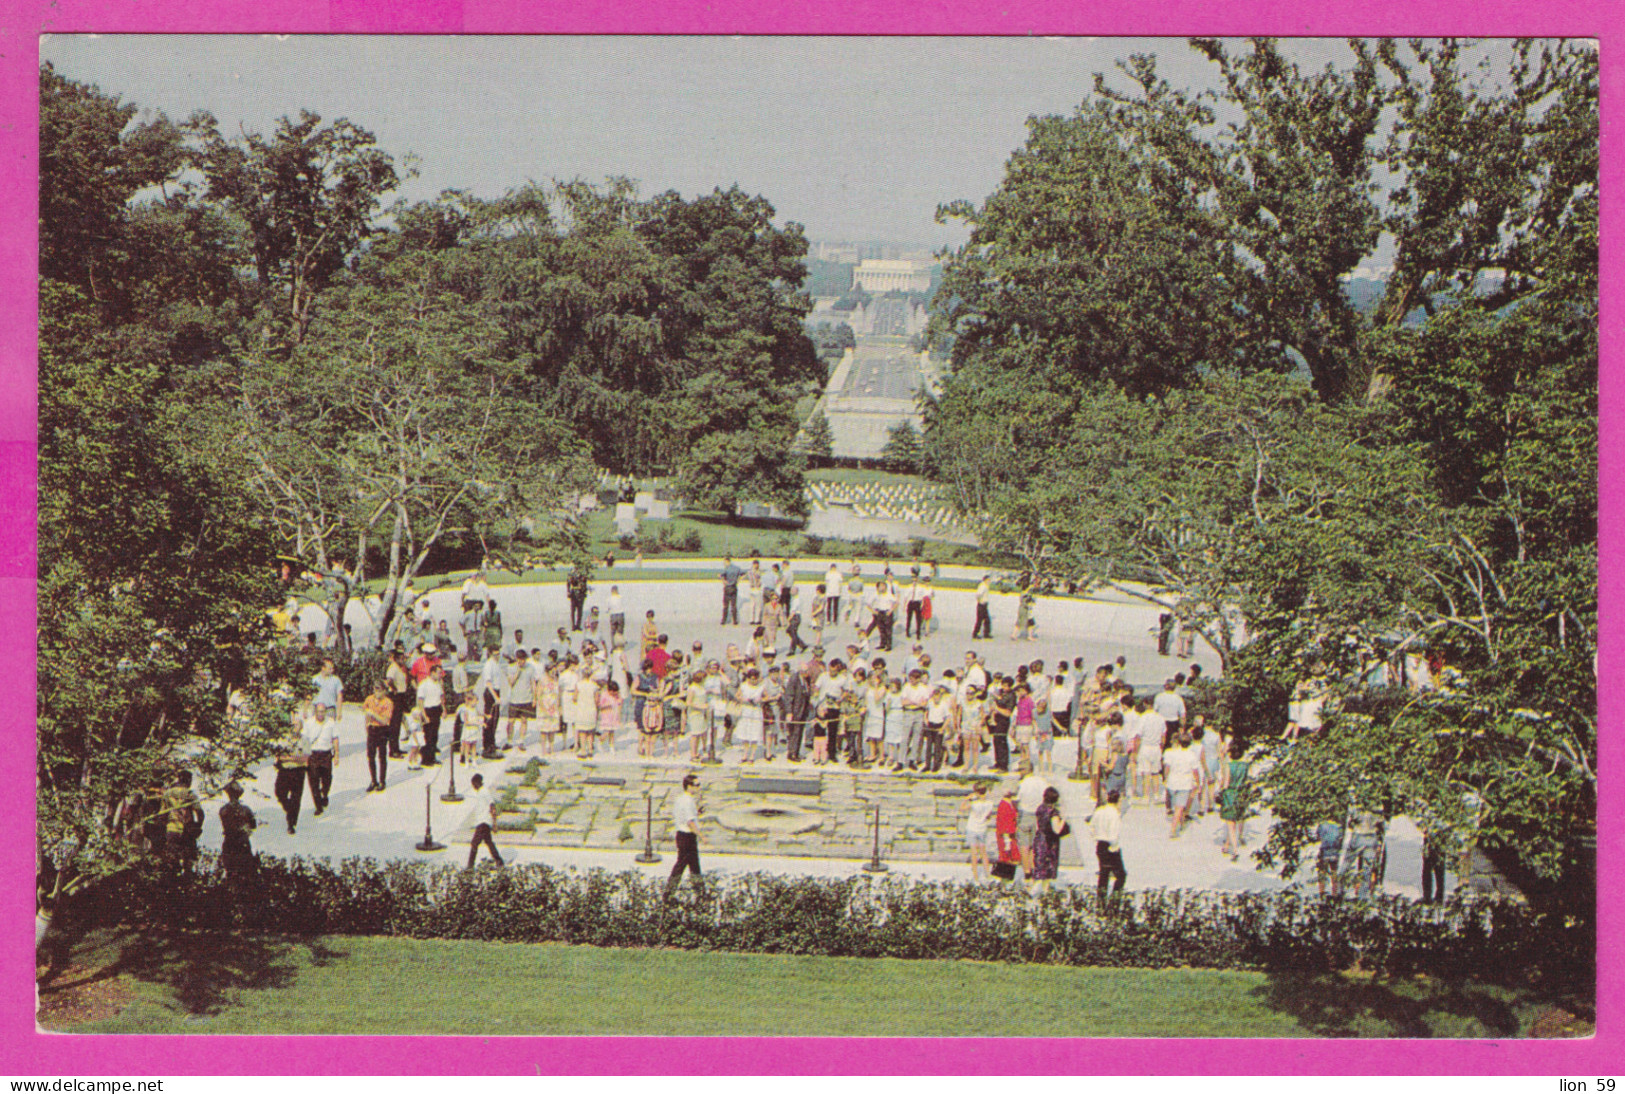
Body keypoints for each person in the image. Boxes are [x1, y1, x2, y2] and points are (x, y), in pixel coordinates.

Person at [665, 773, 705, 897]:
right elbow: (690, 822)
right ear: (689, 786)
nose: (699, 788)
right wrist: (701, 835)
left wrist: (697, 811)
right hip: (687, 836)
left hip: (682, 835)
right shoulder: (688, 802)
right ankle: (669, 892)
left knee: (694, 864)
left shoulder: (681, 798)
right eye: (696, 785)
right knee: (681, 864)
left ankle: (700, 891)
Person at [1090, 789, 1127, 910]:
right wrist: (1114, 849)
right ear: (1118, 801)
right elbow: (1113, 835)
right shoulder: (1115, 814)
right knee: (1121, 875)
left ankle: (1100, 902)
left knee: (1103, 874)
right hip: (1110, 846)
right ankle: (1114, 902)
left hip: (1100, 844)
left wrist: (1096, 838)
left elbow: (1092, 827)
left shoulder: (1099, 811)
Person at [1217, 737, 1252, 859]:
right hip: (1242, 794)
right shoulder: (1245, 765)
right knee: (1236, 820)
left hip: (1230, 794)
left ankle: (1235, 850)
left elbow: (1226, 783)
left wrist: (1220, 789)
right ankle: (1227, 845)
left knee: (1230, 823)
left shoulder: (1228, 766)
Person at [218, 781, 257, 889]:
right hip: (242, 841)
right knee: (245, 871)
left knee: (231, 871)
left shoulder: (223, 810)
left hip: (229, 841)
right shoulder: (246, 810)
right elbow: (253, 825)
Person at [162, 771, 204, 871]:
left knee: (172, 860)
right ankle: (187, 882)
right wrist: (198, 826)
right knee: (188, 861)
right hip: (187, 831)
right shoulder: (190, 794)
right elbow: (200, 813)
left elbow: (162, 814)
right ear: (188, 780)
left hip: (171, 829)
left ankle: (174, 881)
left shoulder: (167, 794)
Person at [303, 702, 339, 814]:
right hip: (313, 755)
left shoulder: (331, 723)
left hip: (326, 754)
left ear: (326, 712)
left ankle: (324, 794)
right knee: (313, 782)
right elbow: (305, 741)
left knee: (327, 779)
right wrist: (305, 759)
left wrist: (337, 754)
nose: (320, 714)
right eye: (318, 711)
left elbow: (335, 739)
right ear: (315, 712)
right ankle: (318, 806)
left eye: (323, 711)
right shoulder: (309, 723)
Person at [1162, 731, 1200, 838]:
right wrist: (1198, 782)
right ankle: (1173, 830)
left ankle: (1182, 822)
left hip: (1172, 782)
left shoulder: (1172, 753)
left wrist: (1165, 778)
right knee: (1179, 807)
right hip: (1184, 783)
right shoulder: (1192, 755)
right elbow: (1195, 771)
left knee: (1178, 805)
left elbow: (1167, 767)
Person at [1031, 786, 1068, 891]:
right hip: (1049, 843)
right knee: (1047, 871)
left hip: (1040, 839)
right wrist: (1063, 819)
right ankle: (1044, 892)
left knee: (1039, 867)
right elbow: (1057, 830)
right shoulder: (1053, 813)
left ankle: (1033, 890)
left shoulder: (1040, 808)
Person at [465, 773, 504, 869]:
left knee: (474, 843)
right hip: (482, 822)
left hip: (483, 822)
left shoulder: (484, 791)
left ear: (477, 783)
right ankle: (499, 861)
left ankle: (470, 866)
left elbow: (492, 806)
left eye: (473, 784)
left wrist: (494, 823)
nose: (473, 786)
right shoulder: (480, 792)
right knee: (489, 842)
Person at [1015, 763, 1048, 876]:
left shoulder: (1023, 783)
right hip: (1038, 815)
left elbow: (1017, 799)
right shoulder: (1042, 781)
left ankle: (1027, 872)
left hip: (1025, 814)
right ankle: (1034, 869)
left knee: (1024, 845)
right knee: (1035, 846)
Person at [362, 679, 393, 792]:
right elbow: (365, 713)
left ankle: (382, 781)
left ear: (384, 691)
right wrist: (367, 727)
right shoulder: (369, 700)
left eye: (379, 689)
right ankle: (373, 780)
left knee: (382, 756)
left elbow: (384, 721)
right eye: (375, 689)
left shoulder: (388, 702)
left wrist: (373, 715)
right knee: (370, 756)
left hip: (382, 730)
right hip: (372, 729)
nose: (377, 692)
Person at [963, 782, 996, 879]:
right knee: (983, 852)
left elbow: (962, 808)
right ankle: (987, 874)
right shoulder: (990, 803)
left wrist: (966, 799)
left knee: (974, 853)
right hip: (982, 828)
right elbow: (988, 816)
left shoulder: (974, 803)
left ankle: (976, 876)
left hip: (972, 828)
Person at [993, 784, 1023, 887]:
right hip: (1006, 835)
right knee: (1007, 857)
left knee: (1013, 857)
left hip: (1011, 834)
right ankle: (1005, 881)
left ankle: (1008, 879)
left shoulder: (1010, 804)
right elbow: (1003, 821)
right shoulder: (1004, 805)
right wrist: (1006, 837)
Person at [416, 665, 445, 767]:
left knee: (434, 736)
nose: (440, 675)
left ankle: (432, 757)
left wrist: (444, 710)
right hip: (428, 710)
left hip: (436, 710)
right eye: (438, 673)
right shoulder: (424, 684)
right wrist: (424, 716)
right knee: (428, 736)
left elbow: (441, 697)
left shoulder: (438, 684)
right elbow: (420, 702)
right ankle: (426, 759)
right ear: (432, 672)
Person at [1316, 818, 1346, 897]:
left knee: (1322, 871)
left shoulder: (1322, 825)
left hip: (1324, 850)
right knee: (1334, 871)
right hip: (1334, 851)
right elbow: (1340, 839)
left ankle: (1321, 893)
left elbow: (1318, 837)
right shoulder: (1338, 826)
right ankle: (1334, 893)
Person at [720, 556, 742, 625]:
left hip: (727, 587)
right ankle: (735, 620)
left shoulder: (726, 569)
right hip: (734, 587)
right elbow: (742, 574)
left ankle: (724, 620)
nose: (724, 564)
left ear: (727, 561)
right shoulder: (737, 568)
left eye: (724, 563)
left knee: (726, 605)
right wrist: (738, 580)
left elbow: (722, 575)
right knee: (734, 605)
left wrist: (724, 581)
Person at [972, 574, 993, 640]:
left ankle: (986, 633)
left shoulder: (985, 586)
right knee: (980, 620)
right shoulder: (983, 586)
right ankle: (975, 633)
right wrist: (980, 601)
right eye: (989, 580)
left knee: (987, 620)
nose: (990, 581)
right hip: (982, 605)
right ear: (986, 580)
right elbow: (978, 594)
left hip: (984, 605)